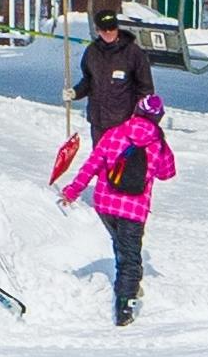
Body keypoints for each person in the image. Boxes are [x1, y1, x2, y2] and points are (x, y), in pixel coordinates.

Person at [56, 89, 175, 326]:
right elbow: (167, 173)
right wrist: (161, 144)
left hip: (105, 204)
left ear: (136, 111)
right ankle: (125, 305)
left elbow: (91, 166)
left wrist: (72, 191)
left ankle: (127, 283)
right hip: (134, 209)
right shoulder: (157, 144)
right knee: (130, 257)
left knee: (121, 247)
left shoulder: (114, 134)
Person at [76, 10, 157, 143]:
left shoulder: (133, 53)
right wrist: (75, 92)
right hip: (98, 121)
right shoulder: (92, 52)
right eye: (104, 29)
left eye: (112, 28)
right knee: (100, 161)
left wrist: (140, 117)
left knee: (122, 162)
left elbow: (145, 88)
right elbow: (89, 80)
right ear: (97, 30)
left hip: (124, 122)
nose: (109, 33)